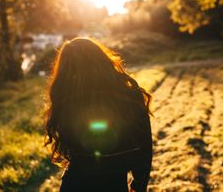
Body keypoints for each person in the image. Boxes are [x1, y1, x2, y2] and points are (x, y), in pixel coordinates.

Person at [44, 37, 153, 192]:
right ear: (102, 61)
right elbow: (143, 147)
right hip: (114, 183)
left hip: (75, 183)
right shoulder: (128, 96)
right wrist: (139, 184)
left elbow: (67, 145)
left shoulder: (67, 100)